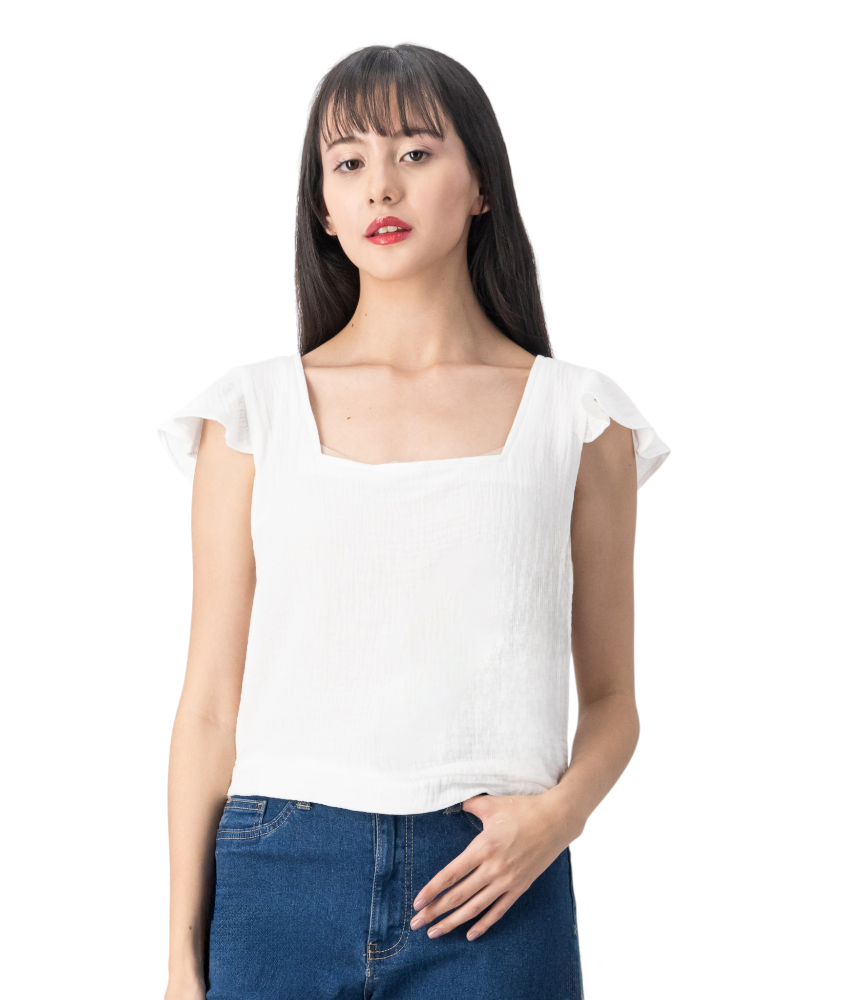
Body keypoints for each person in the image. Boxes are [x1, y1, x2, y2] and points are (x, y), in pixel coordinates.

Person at [157, 43, 670, 1000]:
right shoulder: (252, 416)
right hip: (279, 878)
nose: (380, 186)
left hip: (494, 879)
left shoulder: (578, 418)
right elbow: (209, 708)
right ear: (323, 207)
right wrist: (183, 963)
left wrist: (557, 819)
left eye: (416, 153)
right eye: (348, 162)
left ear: (482, 185)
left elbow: (612, 699)